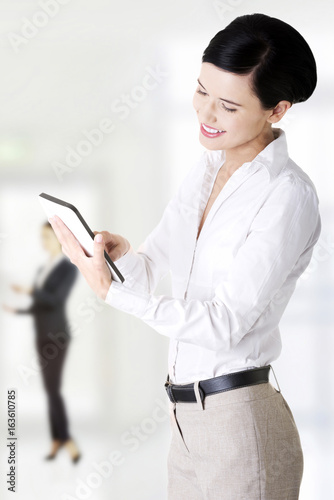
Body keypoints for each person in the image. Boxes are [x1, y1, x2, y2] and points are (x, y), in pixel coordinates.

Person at [49, 13, 320, 499]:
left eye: (228, 105)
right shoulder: (207, 168)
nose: (206, 115)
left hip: (240, 421)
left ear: (276, 110)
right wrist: (117, 258)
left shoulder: (287, 196)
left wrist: (115, 296)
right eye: (201, 91)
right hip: (183, 416)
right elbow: (152, 266)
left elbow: (223, 325)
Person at [4, 222, 81, 463]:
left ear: (58, 239)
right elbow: (39, 306)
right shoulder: (41, 269)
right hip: (41, 335)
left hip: (57, 336)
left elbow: (55, 301)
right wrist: (18, 311)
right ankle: (56, 439)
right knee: (49, 390)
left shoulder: (69, 268)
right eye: (42, 237)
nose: (43, 241)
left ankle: (66, 439)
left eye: (47, 237)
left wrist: (29, 290)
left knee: (53, 389)